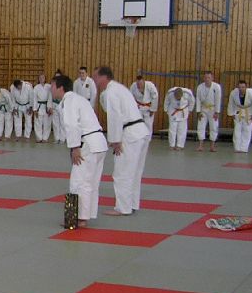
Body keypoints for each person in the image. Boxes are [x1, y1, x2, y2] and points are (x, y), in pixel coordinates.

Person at [94, 65, 151, 216]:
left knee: (122, 172)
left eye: (96, 77)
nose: (95, 81)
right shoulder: (120, 88)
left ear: (104, 77)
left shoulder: (111, 92)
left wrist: (115, 140)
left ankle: (123, 208)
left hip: (130, 134)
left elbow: (115, 116)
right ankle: (132, 204)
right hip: (140, 132)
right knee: (135, 172)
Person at [53, 74, 108, 228]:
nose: (51, 89)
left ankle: (78, 218)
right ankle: (86, 216)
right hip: (99, 143)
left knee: (78, 182)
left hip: (87, 144)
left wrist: (75, 147)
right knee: (91, 182)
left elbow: (72, 125)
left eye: (53, 86)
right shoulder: (79, 99)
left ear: (61, 88)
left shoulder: (69, 100)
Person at [227, 80, 252, 153]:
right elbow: (231, 103)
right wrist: (231, 113)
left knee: (247, 130)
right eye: (239, 87)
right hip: (238, 111)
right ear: (237, 87)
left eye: (243, 87)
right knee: (237, 130)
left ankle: (244, 148)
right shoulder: (233, 93)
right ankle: (237, 148)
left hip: (248, 112)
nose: (241, 89)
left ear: (246, 87)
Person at [195, 71, 222, 152]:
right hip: (203, 109)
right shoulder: (200, 87)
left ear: (212, 78)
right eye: (205, 77)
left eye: (209, 77)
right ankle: (200, 145)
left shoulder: (216, 87)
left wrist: (217, 112)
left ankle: (212, 146)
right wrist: (198, 111)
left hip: (213, 109)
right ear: (204, 78)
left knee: (213, 126)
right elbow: (198, 99)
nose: (207, 79)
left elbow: (218, 100)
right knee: (201, 126)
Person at [164, 86, 195, 150]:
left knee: (182, 129)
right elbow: (166, 102)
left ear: (182, 95)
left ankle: (180, 145)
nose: (177, 99)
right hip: (173, 110)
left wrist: (190, 110)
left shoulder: (188, 93)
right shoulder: (170, 93)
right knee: (172, 129)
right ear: (174, 95)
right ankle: (172, 145)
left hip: (183, 111)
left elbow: (192, 102)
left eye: (179, 98)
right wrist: (166, 110)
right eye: (176, 97)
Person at [33, 73, 53, 143]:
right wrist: (35, 109)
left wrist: (50, 107)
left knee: (47, 123)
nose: (41, 79)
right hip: (39, 106)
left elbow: (51, 97)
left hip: (47, 106)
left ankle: (45, 138)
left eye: (43, 77)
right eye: (40, 78)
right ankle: (39, 138)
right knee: (38, 122)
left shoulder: (49, 86)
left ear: (45, 78)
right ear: (38, 79)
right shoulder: (36, 87)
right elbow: (34, 99)